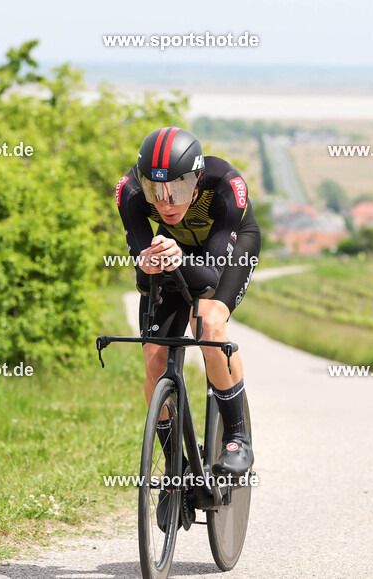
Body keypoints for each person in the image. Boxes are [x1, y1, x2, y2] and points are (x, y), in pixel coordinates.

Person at [116, 127, 260, 488]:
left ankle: (237, 437)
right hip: (172, 255)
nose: (165, 203)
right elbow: (139, 259)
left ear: (196, 182)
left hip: (226, 250)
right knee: (153, 356)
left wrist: (179, 258)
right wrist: (146, 262)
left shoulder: (226, 187)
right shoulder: (130, 192)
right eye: (156, 191)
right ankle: (175, 466)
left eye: (177, 191)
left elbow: (210, 274)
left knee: (209, 323)